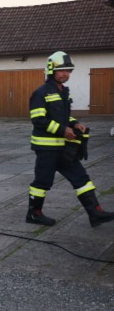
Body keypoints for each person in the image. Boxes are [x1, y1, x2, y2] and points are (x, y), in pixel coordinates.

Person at [27, 51, 114, 227]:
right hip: (46, 148)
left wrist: (75, 124)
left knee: (81, 177)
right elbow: (38, 120)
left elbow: (64, 116)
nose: (66, 74)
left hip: (64, 147)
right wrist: (62, 129)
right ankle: (34, 214)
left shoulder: (63, 91)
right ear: (52, 70)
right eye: (62, 70)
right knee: (42, 182)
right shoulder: (41, 93)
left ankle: (95, 213)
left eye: (69, 70)